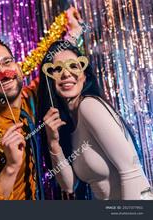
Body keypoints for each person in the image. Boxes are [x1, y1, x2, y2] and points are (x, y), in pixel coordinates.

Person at [0, 7, 85, 200]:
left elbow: (60, 67)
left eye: (7, 62)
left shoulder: (32, 100)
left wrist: (75, 31)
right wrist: (10, 167)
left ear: (18, 67)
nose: (3, 72)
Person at [37, 41, 152, 200]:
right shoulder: (69, 122)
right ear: (50, 79)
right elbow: (68, 185)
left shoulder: (89, 106)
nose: (66, 74)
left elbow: (131, 172)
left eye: (74, 66)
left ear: (84, 76)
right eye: (57, 69)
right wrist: (53, 143)